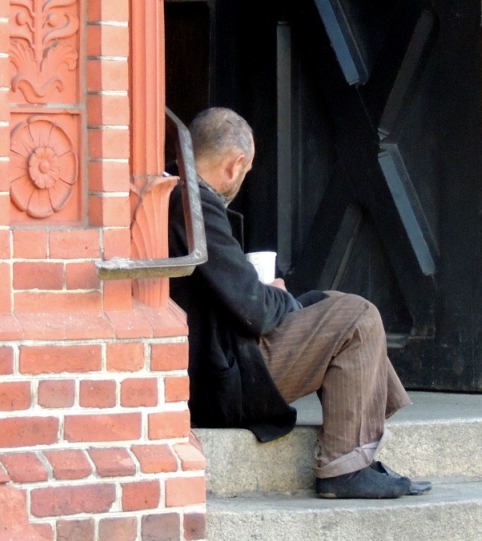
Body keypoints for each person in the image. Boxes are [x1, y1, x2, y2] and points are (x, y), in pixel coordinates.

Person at [168, 107, 431, 499]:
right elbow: (255, 309)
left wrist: (284, 299)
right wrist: (276, 294)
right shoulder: (193, 204)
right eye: (247, 169)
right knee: (358, 316)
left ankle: (361, 439)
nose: (243, 177)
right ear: (235, 164)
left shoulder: (176, 193)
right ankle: (345, 469)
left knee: (330, 301)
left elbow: (234, 294)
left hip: (218, 358)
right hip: (222, 379)